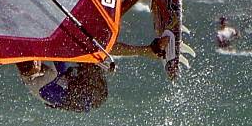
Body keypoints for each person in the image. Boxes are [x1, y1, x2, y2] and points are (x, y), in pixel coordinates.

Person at [17, 39, 165, 112]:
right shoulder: (49, 77)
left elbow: (59, 52)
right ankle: (148, 51)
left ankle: (147, 51)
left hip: (79, 97)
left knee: (93, 45)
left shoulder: (42, 78)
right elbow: (60, 50)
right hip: (88, 96)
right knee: (94, 45)